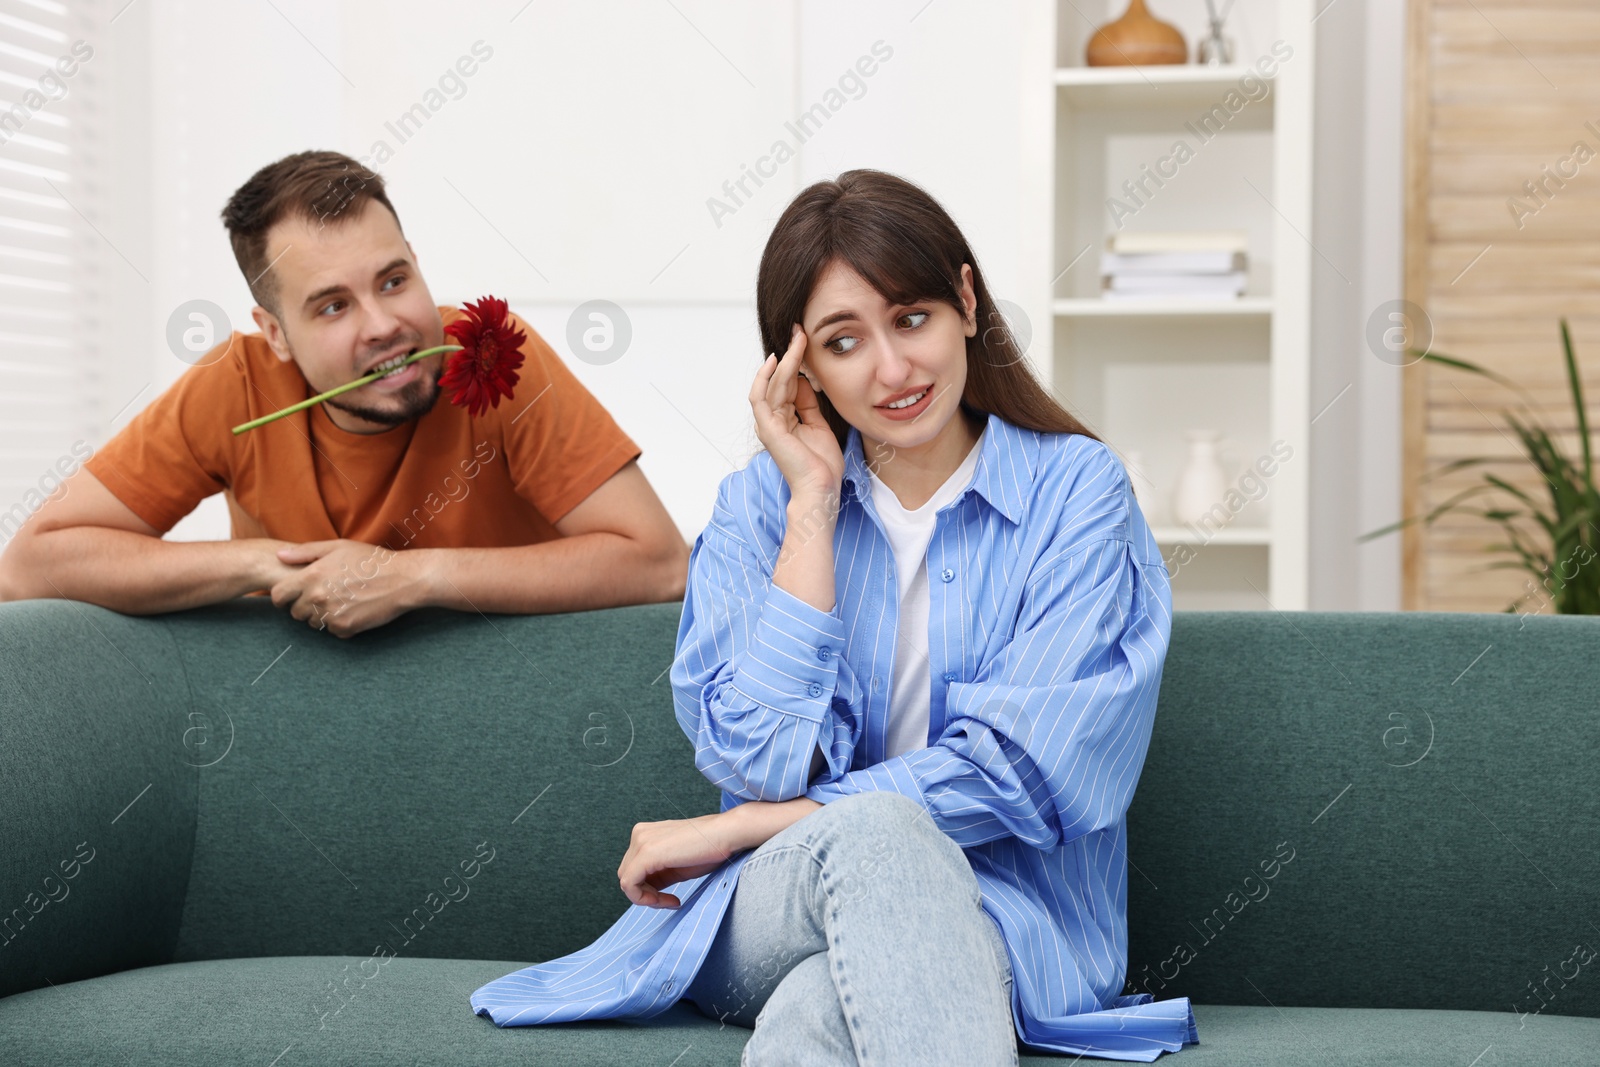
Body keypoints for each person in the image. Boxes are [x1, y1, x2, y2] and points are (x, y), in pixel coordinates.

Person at [470, 170, 1198, 1063]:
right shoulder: (756, 510)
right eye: (845, 341)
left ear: (966, 301)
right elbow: (755, 755)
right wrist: (811, 505)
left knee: (822, 1007)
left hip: (1013, 919)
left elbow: (1026, 773)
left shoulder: (1078, 492)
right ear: (799, 365)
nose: (892, 369)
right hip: (779, 903)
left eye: (913, 319)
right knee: (879, 839)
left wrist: (742, 825)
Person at [0, 151, 688, 636]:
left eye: (393, 280)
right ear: (274, 333)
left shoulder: (493, 349)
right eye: (332, 307)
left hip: (502, 686)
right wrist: (264, 563)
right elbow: (30, 566)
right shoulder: (233, 388)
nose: (384, 325)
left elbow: (660, 564)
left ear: (417, 262)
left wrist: (413, 577)